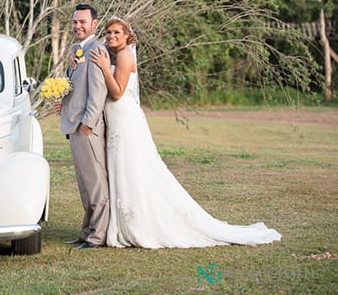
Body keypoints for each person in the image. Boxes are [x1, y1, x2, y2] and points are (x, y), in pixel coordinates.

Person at [89, 17, 282, 248]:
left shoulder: (124, 56)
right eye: (108, 32)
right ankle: (126, 222)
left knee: (134, 168)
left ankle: (141, 223)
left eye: (117, 32)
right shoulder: (111, 54)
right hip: (116, 120)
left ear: (127, 36)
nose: (111, 36)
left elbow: (118, 92)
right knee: (125, 169)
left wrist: (103, 67)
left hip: (125, 119)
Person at [55, 3, 110, 250]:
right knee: (84, 183)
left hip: (86, 128)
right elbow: (76, 86)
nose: (77, 26)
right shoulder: (76, 49)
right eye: (75, 22)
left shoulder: (98, 50)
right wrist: (62, 100)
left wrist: (87, 125)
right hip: (73, 124)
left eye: (82, 22)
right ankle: (87, 232)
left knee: (95, 183)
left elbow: (98, 92)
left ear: (94, 24)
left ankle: (97, 236)